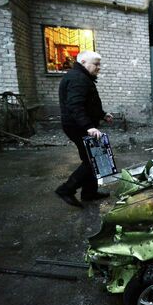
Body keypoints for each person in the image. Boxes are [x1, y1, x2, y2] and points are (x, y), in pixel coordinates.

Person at [55, 50, 113, 208]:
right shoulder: (78, 79)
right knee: (91, 160)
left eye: (99, 64)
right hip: (78, 127)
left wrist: (102, 114)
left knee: (92, 159)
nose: (99, 67)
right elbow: (75, 106)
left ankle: (89, 193)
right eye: (96, 64)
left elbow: (88, 104)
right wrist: (89, 127)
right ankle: (66, 190)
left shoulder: (81, 77)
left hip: (79, 125)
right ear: (83, 63)